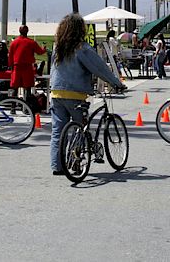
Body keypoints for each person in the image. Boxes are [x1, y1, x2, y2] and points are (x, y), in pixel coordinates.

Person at [50, 14, 125, 176]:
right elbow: (99, 68)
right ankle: (76, 163)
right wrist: (116, 83)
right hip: (76, 94)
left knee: (58, 131)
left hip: (56, 93)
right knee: (80, 129)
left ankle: (57, 166)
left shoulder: (58, 47)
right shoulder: (82, 48)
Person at [8, 25, 47, 100]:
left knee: (15, 88)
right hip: (27, 67)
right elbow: (40, 52)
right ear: (27, 31)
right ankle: (26, 108)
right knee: (27, 88)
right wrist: (44, 49)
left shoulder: (14, 42)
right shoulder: (31, 42)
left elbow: (10, 56)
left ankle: (13, 108)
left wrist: (10, 66)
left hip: (17, 67)